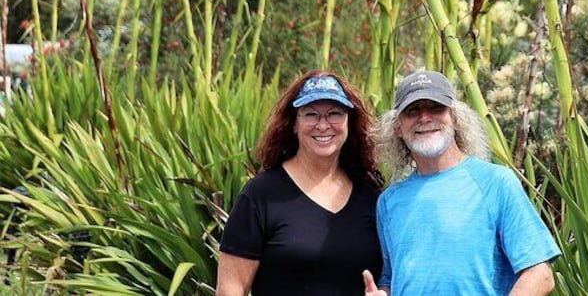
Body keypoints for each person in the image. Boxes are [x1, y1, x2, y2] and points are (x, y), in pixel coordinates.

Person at [364, 70, 561, 295]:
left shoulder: (496, 183)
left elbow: (540, 274)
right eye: (413, 110)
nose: (425, 118)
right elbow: (391, 278)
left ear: (456, 118)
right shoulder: (390, 201)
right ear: (397, 127)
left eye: (436, 107)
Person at [217, 70, 383, 296]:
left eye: (335, 113)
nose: (323, 125)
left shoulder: (371, 193)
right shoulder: (262, 194)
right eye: (311, 114)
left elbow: (389, 274)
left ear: (349, 123)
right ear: (293, 124)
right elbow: (230, 288)